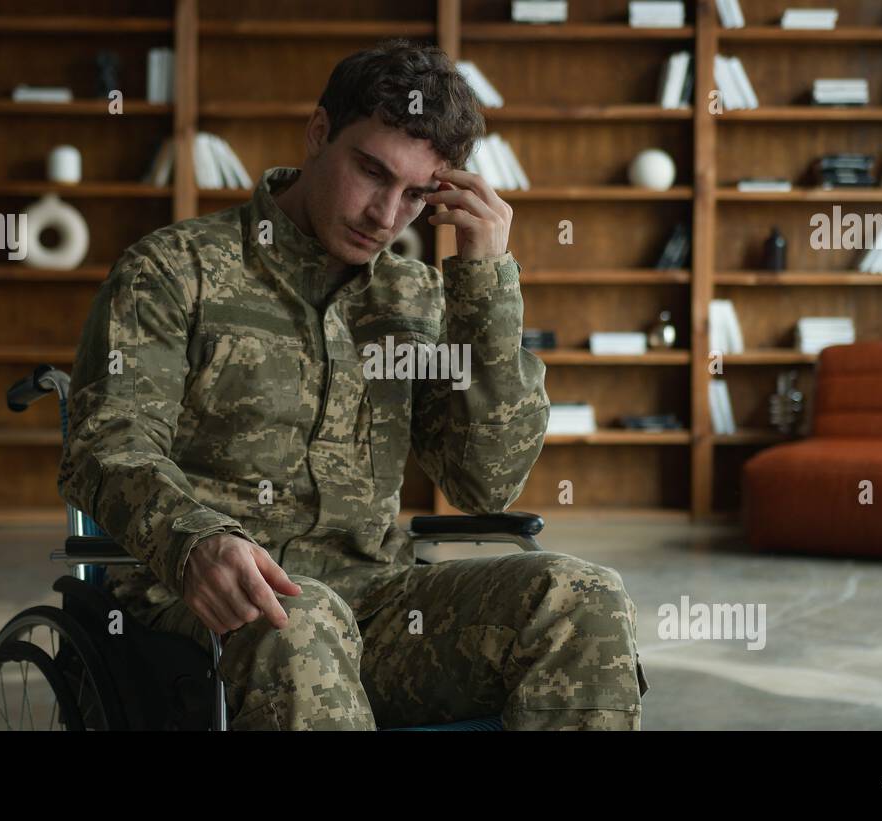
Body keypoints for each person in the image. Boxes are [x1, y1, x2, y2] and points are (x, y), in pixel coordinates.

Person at [58, 38, 649, 730]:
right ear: (318, 134)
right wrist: (195, 539)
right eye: (372, 172)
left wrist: (485, 283)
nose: (385, 214)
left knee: (585, 595)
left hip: (384, 607)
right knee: (298, 618)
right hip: (212, 610)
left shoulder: (418, 297)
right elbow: (108, 441)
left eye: (416, 195)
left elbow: (485, 483)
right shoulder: (172, 272)